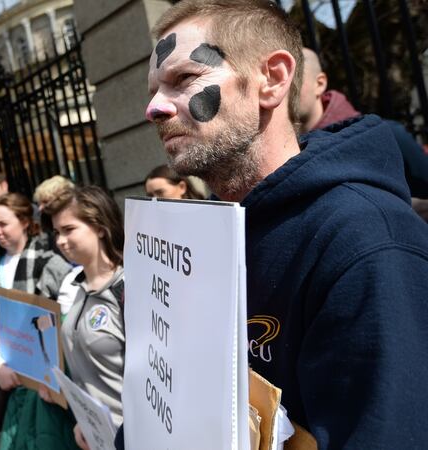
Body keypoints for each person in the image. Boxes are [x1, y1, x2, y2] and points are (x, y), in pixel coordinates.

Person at [145, 0, 428, 448]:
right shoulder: (202, 233)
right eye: (155, 89)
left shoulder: (366, 243)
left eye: (183, 79)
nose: (154, 108)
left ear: (273, 79)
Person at [0, 193, 74, 447]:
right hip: (9, 381)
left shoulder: (52, 264)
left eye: (3, 224)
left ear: (25, 221)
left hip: (48, 386)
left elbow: (68, 322)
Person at [44, 186, 125, 450]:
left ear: (100, 226)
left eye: (69, 229)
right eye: (57, 232)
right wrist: (84, 421)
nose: (60, 240)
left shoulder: (128, 287)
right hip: (98, 436)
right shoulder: (75, 286)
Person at [297, 47, 428, 199]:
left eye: (294, 79)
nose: (283, 88)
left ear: (319, 84)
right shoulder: (281, 152)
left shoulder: (387, 135)